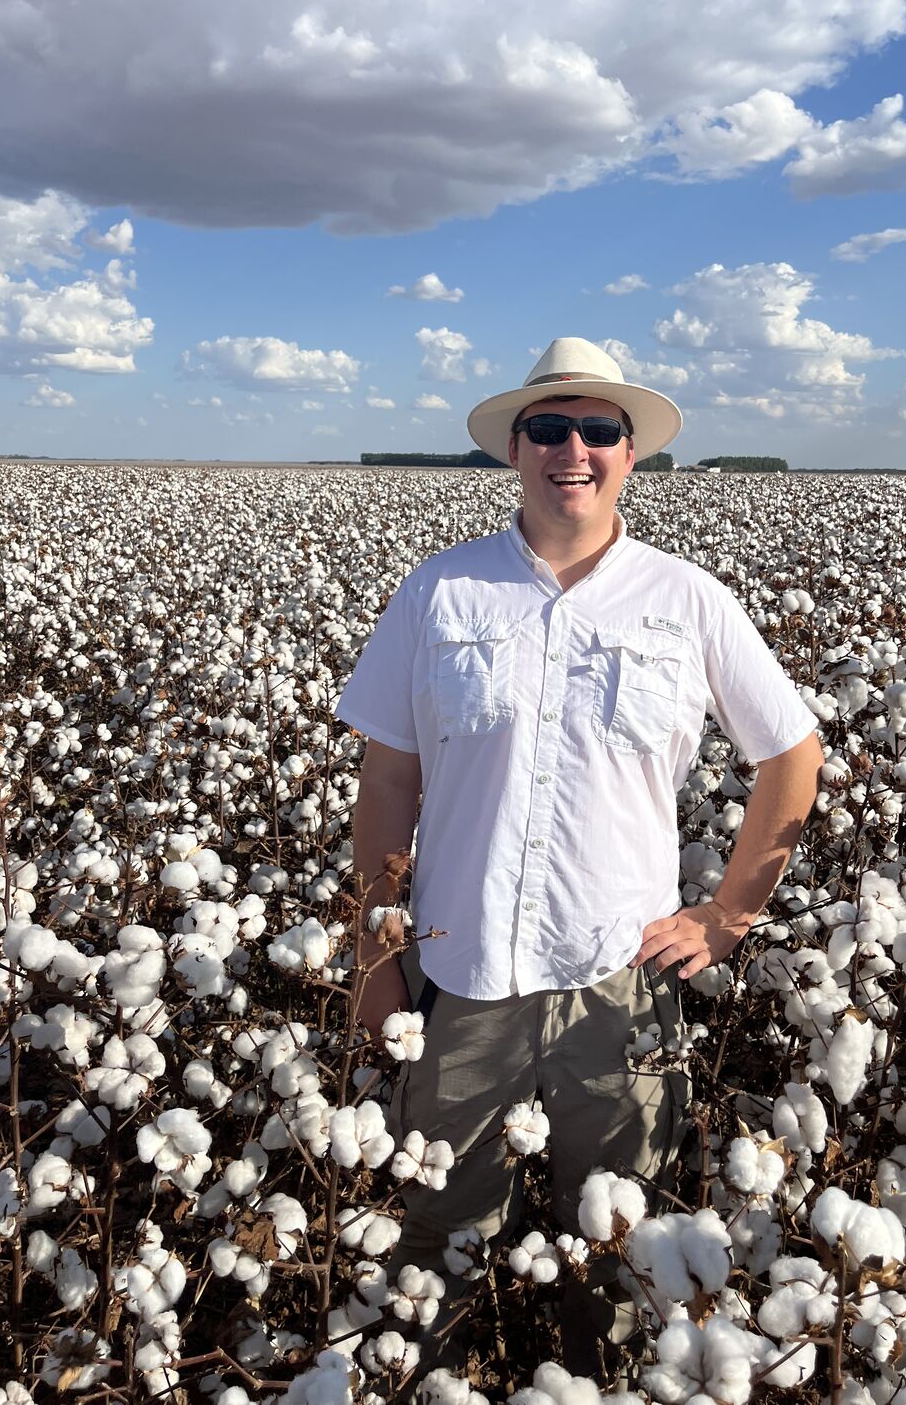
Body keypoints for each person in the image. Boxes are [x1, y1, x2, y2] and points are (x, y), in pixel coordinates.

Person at [335, 336, 822, 1378]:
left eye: (598, 430)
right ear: (513, 449)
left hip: (621, 990)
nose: (573, 449)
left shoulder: (684, 598)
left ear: (627, 453)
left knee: (624, 1260)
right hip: (458, 986)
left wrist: (726, 915)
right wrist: (375, 957)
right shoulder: (439, 592)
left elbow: (791, 752)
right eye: (548, 428)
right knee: (435, 1255)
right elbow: (386, 781)